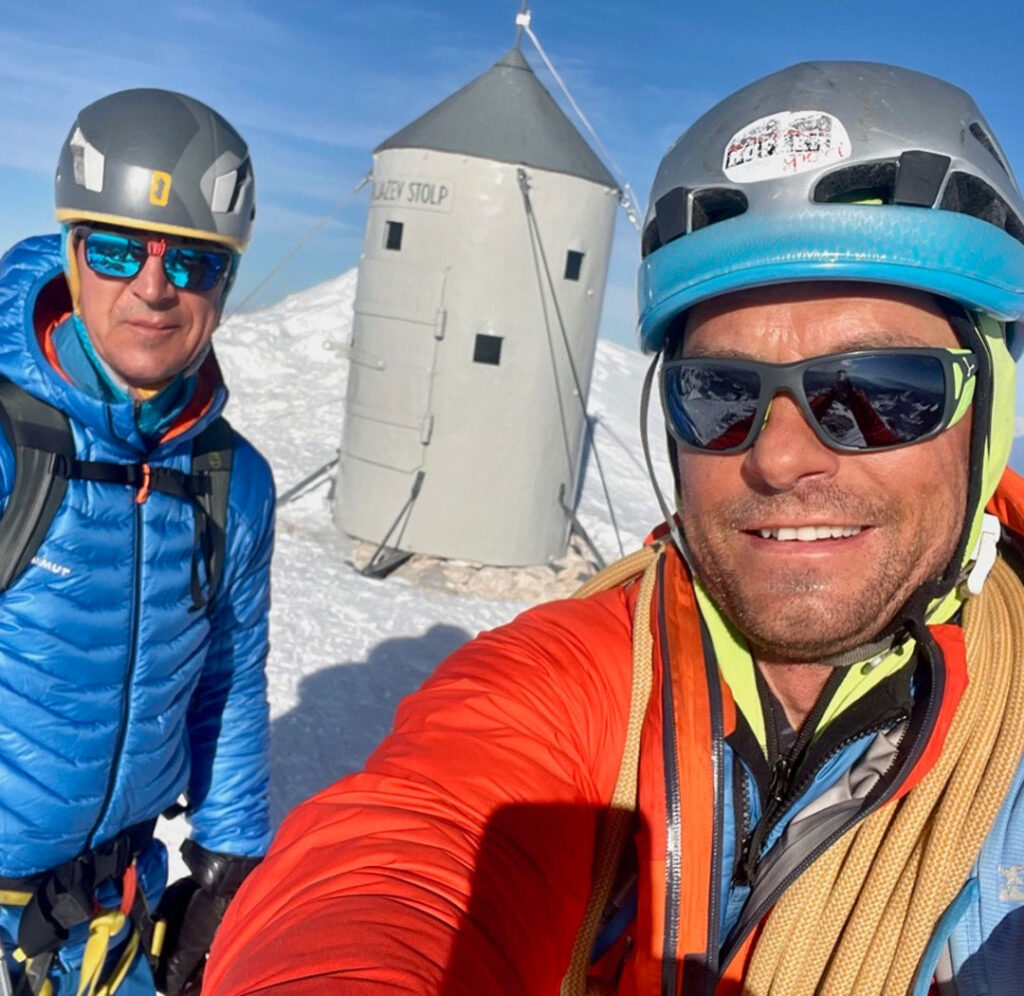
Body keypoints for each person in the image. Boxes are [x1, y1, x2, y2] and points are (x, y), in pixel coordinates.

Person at [205, 62, 1024, 995]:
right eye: (719, 394)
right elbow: (406, 850)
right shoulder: (581, 667)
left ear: (986, 408)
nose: (780, 456)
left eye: (880, 392)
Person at [0, 89, 274, 996]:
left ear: (224, 286)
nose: (154, 287)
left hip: (116, 913)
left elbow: (230, 669)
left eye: (192, 261)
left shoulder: (234, 479)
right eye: (119, 249)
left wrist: (230, 858)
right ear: (75, 257)